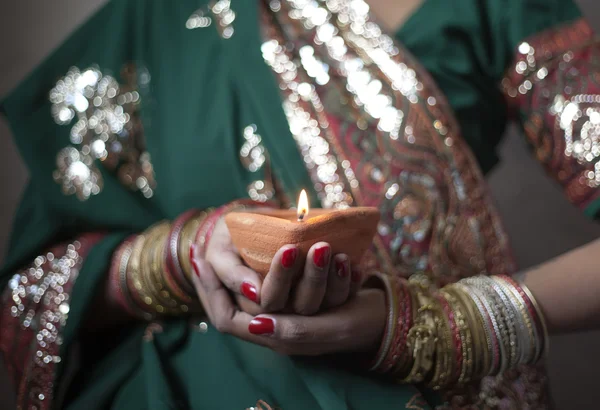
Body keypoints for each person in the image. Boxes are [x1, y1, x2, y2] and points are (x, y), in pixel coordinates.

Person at [1, 0, 598, 408]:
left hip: (410, 383)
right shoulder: (159, 19)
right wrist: (184, 256)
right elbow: (33, 284)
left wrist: (448, 326)